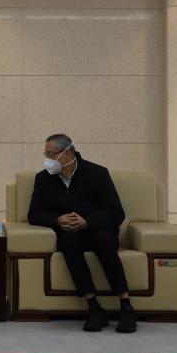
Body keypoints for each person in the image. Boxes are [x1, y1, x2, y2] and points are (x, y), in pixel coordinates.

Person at [27, 133, 137, 333]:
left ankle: (126, 306)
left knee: (103, 240)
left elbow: (115, 212)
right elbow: (34, 214)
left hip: (98, 229)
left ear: (68, 152)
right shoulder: (43, 179)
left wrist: (88, 222)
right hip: (69, 233)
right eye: (46, 154)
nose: (48, 159)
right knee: (68, 242)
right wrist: (57, 220)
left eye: (52, 154)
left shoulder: (97, 173)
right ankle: (94, 307)